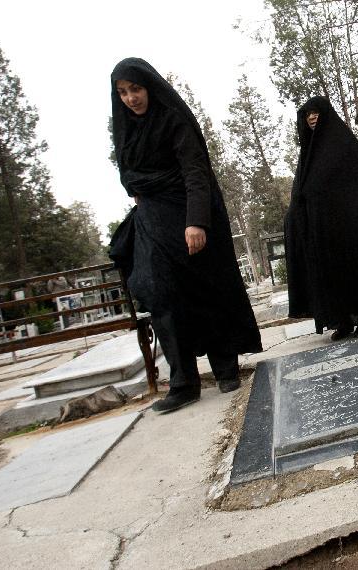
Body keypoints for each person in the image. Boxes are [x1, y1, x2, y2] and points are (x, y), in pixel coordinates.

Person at [108, 58, 262, 414]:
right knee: (159, 294)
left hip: (189, 220)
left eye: (136, 89)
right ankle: (183, 382)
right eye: (123, 92)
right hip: (152, 224)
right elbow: (128, 173)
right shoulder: (126, 130)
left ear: (149, 87)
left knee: (206, 290)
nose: (130, 98)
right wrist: (138, 188)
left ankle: (225, 367)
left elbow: (195, 171)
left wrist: (196, 222)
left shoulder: (173, 120)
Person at [285, 96, 358, 341]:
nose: (312, 117)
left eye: (316, 112)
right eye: (307, 115)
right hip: (322, 232)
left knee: (354, 271)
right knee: (330, 278)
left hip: (348, 228)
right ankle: (342, 323)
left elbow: (357, 186)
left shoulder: (344, 144)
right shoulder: (307, 154)